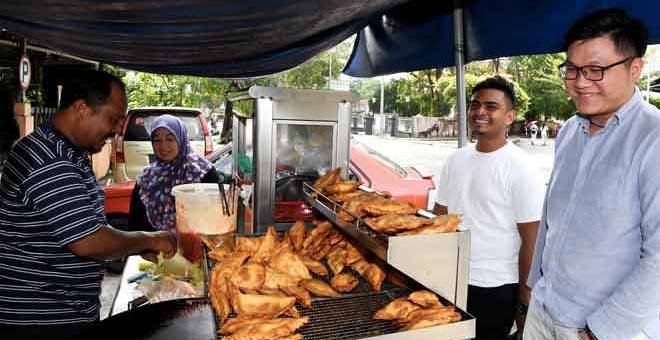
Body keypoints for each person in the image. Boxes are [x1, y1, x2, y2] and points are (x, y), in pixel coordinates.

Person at [0, 70, 177, 340]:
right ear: (82, 108)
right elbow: (88, 241)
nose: (118, 129)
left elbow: (79, 226)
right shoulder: (50, 159)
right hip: (40, 319)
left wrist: (130, 246)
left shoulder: (66, 151)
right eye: (114, 119)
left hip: (63, 312)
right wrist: (150, 239)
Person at [525, 8, 660, 340]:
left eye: (596, 70)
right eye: (572, 69)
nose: (580, 82)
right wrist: (532, 287)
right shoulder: (569, 131)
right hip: (544, 310)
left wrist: (600, 331)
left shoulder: (653, 139)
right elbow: (551, 217)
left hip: (604, 329)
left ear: (635, 68)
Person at [434, 76, 545, 340]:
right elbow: (439, 218)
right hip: (450, 278)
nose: (480, 112)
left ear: (509, 116)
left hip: (495, 287)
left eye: (491, 106)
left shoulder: (520, 166)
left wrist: (524, 300)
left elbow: (533, 239)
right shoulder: (456, 159)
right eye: (474, 105)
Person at [128, 114, 219, 232]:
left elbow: (215, 219)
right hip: (154, 247)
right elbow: (135, 224)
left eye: (170, 139)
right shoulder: (146, 177)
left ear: (181, 138)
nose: (163, 146)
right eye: (157, 140)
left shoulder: (202, 172)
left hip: (196, 247)